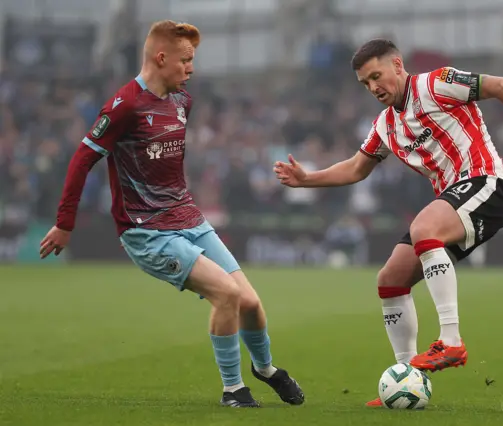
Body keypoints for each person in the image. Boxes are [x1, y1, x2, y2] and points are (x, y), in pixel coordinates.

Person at [273, 39, 503, 407]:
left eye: (377, 76)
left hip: (487, 185)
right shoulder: (386, 125)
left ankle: (452, 341)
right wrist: (307, 178)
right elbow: (357, 167)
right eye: (365, 83)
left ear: (397, 65)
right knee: (390, 279)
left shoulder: (437, 83)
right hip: (454, 201)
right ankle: (406, 379)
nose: (374, 87)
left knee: (425, 227)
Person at [39, 20, 304, 408]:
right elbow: (82, 159)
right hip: (147, 231)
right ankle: (233, 390)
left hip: (189, 219)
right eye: (186, 60)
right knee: (227, 295)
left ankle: (265, 370)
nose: (191, 69)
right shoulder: (125, 105)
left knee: (250, 302)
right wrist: (65, 223)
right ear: (161, 58)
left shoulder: (182, 101)